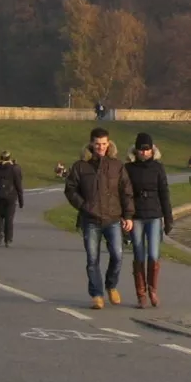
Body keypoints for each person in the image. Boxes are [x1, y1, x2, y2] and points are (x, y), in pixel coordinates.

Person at [64, 128, 135, 310]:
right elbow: (70, 189)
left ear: (109, 144)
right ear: (91, 144)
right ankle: (96, 294)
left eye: (104, 144)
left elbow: (126, 191)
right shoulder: (81, 166)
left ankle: (111, 285)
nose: (101, 147)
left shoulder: (116, 165)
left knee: (118, 255)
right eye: (97, 144)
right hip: (91, 219)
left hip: (112, 218)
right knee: (92, 259)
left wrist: (128, 215)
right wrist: (83, 205)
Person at [125, 133, 173, 308]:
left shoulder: (158, 168)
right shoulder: (129, 168)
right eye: (141, 149)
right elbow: (125, 194)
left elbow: (164, 193)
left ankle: (152, 290)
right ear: (135, 150)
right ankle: (141, 293)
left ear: (152, 150)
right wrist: (126, 217)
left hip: (154, 215)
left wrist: (168, 219)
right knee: (139, 254)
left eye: (147, 149)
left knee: (153, 254)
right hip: (136, 216)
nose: (144, 153)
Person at [0, 151, 24, 247]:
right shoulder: (14, 169)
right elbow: (18, 185)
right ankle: (8, 239)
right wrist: (21, 200)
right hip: (11, 196)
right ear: (9, 158)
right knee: (9, 218)